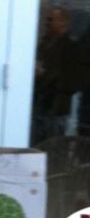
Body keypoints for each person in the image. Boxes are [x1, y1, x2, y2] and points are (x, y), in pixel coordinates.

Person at [31, 7, 75, 143]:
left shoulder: (70, 47)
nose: (46, 22)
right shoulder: (43, 44)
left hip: (55, 108)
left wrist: (42, 73)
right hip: (39, 106)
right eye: (46, 19)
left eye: (50, 19)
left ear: (63, 23)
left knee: (52, 148)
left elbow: (67, 76)